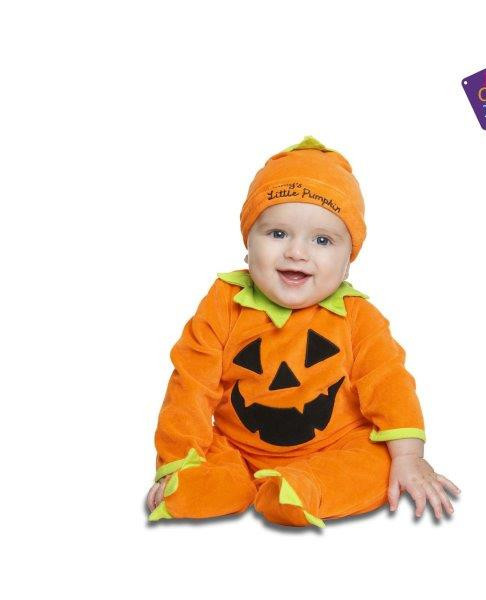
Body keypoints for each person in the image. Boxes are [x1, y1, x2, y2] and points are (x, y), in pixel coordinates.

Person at [146, 135, 460, 528]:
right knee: (208, 459)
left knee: (381, 465)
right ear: (248, 242)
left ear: (348, 261)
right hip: (237, 447)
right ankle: (210, 484)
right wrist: (178, 461)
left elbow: (389, 384)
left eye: (322, 240)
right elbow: (191, 385)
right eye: (277, 234)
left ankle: (299, 489)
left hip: (334, 447)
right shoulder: (224, 302)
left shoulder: (358, 317)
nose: (297, 252)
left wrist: (409, 457)